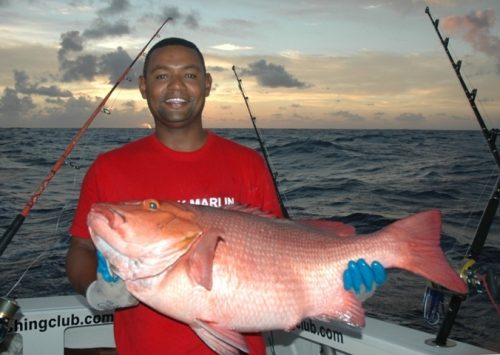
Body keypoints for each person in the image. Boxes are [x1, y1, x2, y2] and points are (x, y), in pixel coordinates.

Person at [65, 37, 385, 355]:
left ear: (206, 84)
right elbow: (82, 246)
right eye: (162, 76)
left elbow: (284, 248)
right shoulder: (109, 168)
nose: (176, 87)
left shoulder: (247, 164)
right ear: (144, 86)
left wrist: (341, 289)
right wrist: (98, 292)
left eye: (189, 75)